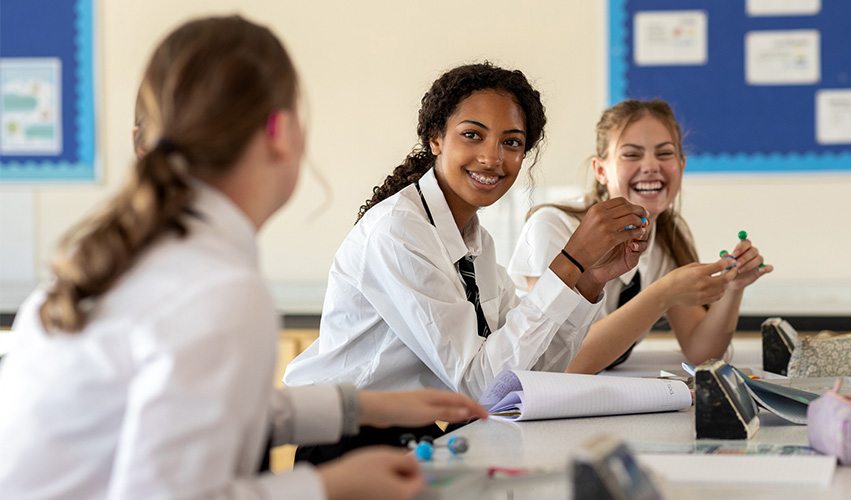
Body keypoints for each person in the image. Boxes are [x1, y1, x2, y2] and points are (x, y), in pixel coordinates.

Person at [0, 16, 486, 500]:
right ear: (281, 132)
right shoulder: (218, 289)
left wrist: (365, 409)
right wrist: (328, 486)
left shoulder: (142, 256)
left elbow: (203, 410)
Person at [283, 63, 650, 461]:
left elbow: (526, 373)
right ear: (436, 138)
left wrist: (588, 281)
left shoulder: (478, 244)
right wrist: (569, 261)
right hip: (349, 442)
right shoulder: (398, 230)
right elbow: (476, 384)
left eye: (511, 143)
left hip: (413, 432)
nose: (492, 158)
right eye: (472, 135)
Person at [507, 99, 773, 374]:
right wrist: (663, 293)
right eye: (632, 155)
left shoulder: (667, 237)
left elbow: (701, 352)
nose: (650, 166)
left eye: (665, 153)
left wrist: (733, 287)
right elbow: (563, 363)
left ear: (681, 166)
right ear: (601, 170)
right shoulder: (551, 227)